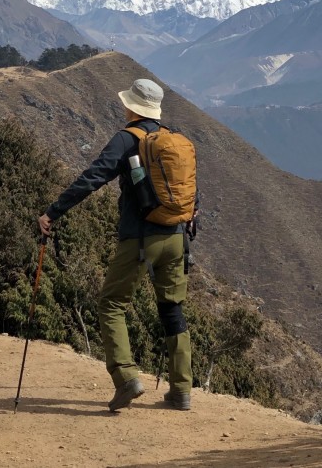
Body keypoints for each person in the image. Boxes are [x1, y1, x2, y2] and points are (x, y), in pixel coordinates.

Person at [38, 77, 194, 412]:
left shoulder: (128, 139)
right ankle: (181, 390)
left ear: (130, 106)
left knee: (112, 303)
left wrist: (54, 212)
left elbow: (94, 176)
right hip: (178, 237)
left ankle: (126, 378)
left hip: (141, 238)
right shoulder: (170, 140)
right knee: (172, 308)